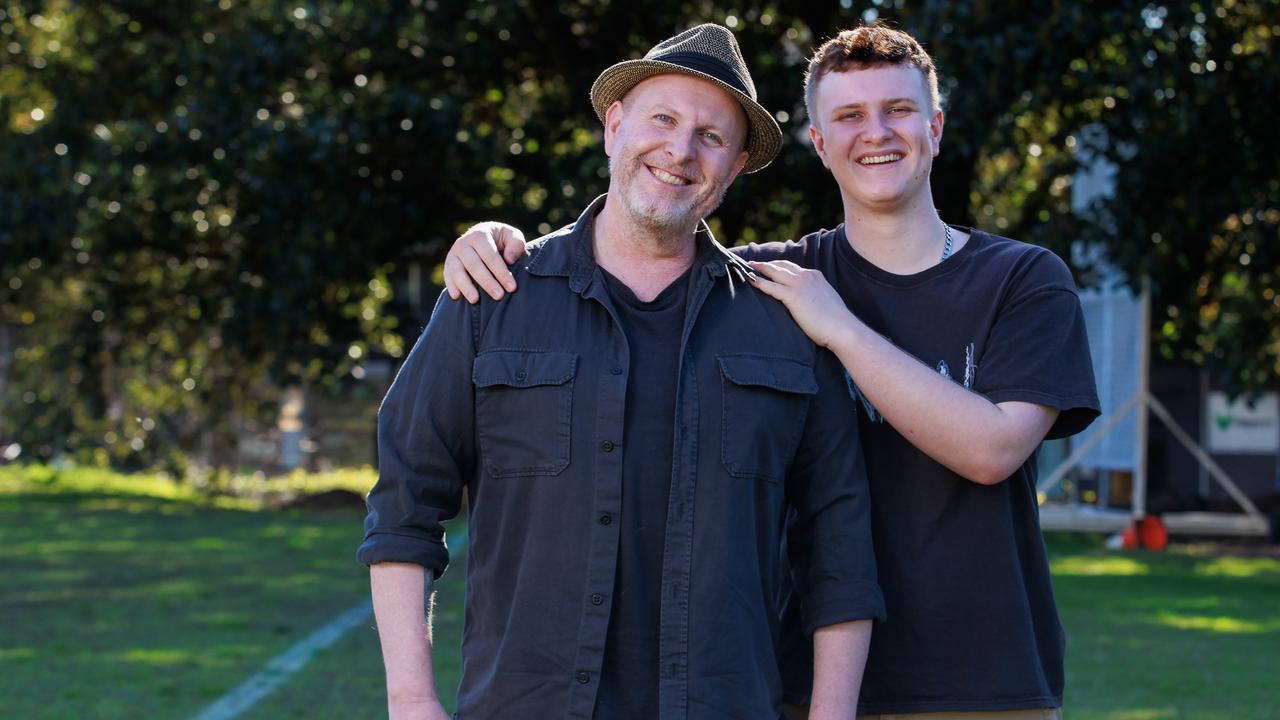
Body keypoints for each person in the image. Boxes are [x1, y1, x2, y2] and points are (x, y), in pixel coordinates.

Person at [444, 23, 1100, 720]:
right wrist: (495, 242)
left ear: (934, 126)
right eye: (848, 116)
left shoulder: (1022, 280)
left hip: (983, 681)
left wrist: (840, 329)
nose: (875, 132)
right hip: (798, 679)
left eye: (899, 111)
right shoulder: (766, 282)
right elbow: (639, 246)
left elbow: (994, 449)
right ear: (820, 144)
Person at [359, 23, 884, 720]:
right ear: (614, 128)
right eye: (662, 119)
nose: (680, 150)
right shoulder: (492, 300)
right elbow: (404, 503)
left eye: (711, 136)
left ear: (731, 171)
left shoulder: (786, 326)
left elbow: (839, 546)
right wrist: (411, 701)